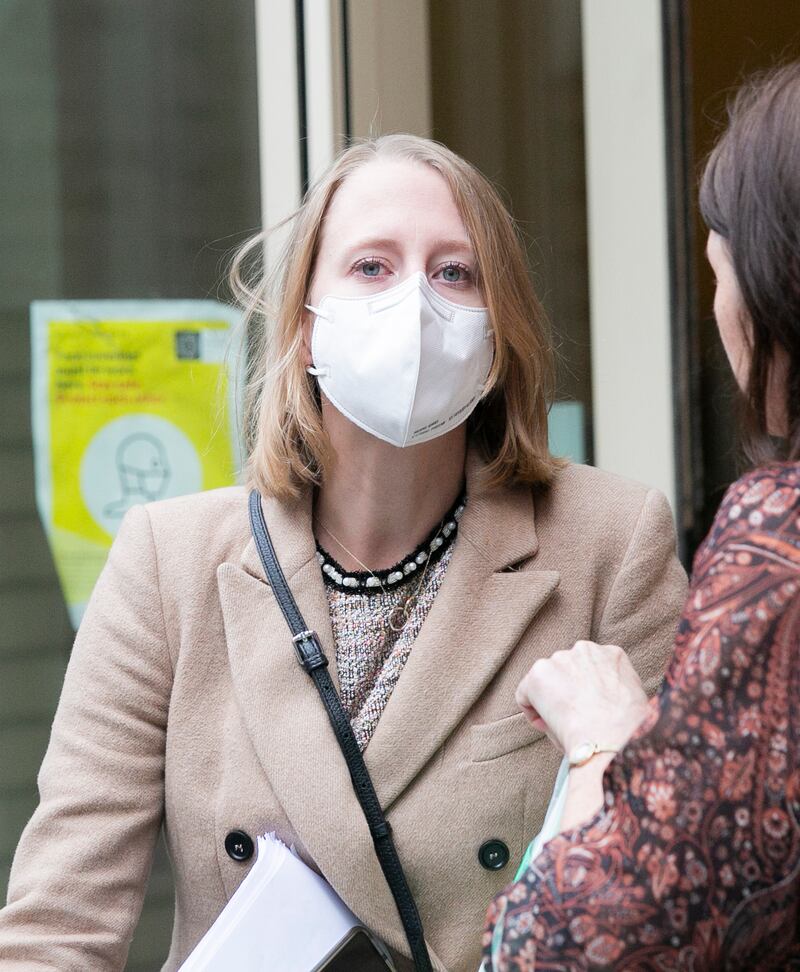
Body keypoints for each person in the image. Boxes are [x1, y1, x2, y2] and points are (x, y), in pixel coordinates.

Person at [0, 134, 686, 972]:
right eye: (371, 267)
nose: (415, 304)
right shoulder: (166, 561)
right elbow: (56, 931)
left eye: (454, 273)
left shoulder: (611, 544)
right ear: (303, 323)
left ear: (499, 328)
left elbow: (674, 900)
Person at [484, 62, 800, 971]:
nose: (720, 311)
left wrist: (605, 744)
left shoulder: (773, 543)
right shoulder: (175, 553)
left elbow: (575, 946)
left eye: (721, 270)